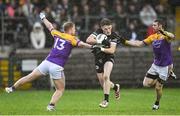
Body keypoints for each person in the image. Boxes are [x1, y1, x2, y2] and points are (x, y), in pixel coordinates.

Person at [5, 12, 92, 111]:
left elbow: (49, 26)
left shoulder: (57, 34)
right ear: (71, 29)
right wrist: (92, 47)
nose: (75, 30)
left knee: (29, 77)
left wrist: (43, 18)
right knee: (60, 89)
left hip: (46, 62)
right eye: (74, 28)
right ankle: (51, 106)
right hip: (57, 66)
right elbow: (81, 44)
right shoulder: (72, 38)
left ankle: (12, 88)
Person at [125, 19, 176, 110]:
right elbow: (139, 44)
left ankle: (157, 103)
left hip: (164, 66)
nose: (152, 27)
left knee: (157, 88)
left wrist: (163, 32)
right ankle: (168, 73)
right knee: (145, 84)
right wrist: (124, 41)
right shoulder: (152, 37)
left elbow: (173, 36)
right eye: (152, 25)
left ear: (160, 26)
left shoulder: (165, 37)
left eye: (154, 25)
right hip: (156, 65)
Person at [86, 18, 126, 108]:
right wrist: (99, 41)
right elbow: (88, 40)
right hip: (98, 58)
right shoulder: (98, 31)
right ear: (101, 28)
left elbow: (112, 50)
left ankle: (105, 101)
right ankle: (115, 87)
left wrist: (101, 48)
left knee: (106, 77)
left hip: (108, 57)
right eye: (105, 29)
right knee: (103, 83)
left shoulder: (114, 36)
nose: (108, 31)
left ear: (111, 26)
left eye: (109, 28)